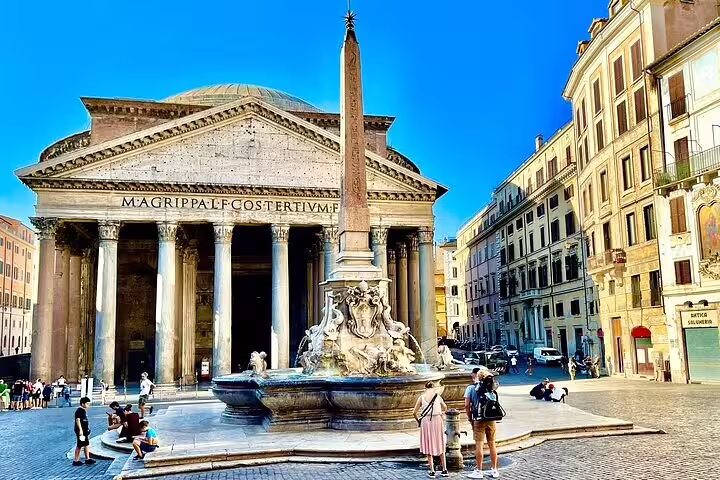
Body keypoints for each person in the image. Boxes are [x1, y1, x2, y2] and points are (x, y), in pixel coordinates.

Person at [466, 374, 500, 479]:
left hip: (479, 420)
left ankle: (479, 471)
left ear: (477, 377)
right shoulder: (491, 386)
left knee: (479, 446)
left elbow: (467, 405)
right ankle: (494, 470)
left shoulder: (471, 388)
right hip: (491, 419)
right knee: (492, 445)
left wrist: (470, 418)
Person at [413, 381, 448, 478]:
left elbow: (414, 412)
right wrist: (443, 417)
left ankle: (432, 471)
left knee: (429, 444)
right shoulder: (438, 397)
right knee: (440, 443)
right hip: (438, 420)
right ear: (433, 388)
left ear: (425, 388)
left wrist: (419, 421)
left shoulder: (421, 397)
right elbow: (445, 408)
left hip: (426, 421)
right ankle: (444, 469)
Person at [73, 397, 96, 466]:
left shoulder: (83, 411)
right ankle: (76, 460)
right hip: (81, 431)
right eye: (87, 404)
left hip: (85, 431)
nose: (88, 405)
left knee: (86, 444)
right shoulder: (79, 411)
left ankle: (87, 458)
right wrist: (80, 430)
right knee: (79, 445)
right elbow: (78, 420)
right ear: (83, 404)